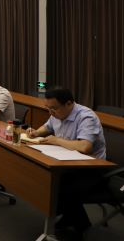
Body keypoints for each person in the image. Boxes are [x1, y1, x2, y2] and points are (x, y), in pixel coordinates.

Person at [26, 88, 107, 234]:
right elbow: (48, 126)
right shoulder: (56, 113)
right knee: (42, 175)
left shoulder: (86, 117)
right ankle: (70, 218)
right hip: (66, 163)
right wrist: (36, 132)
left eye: (54, 109)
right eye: (48, 108)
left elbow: (84, 147)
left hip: (90, 169)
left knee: (59, 186)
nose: (51, 113)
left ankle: (81, 226)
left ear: (69, 104)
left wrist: (56, 140)